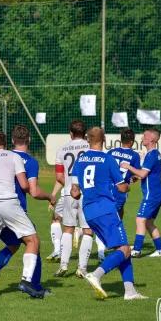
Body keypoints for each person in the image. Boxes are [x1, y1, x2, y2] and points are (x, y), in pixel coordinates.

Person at [71, 127, 147, 300]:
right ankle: (96, 275)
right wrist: (128, 184)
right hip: (105, 209)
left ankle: (130, 291)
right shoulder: (107, 159)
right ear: (104, 139)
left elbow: (75, 191)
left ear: (88, 139)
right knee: (125, 248)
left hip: (89, 211)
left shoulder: (80, 160)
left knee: (122, 248)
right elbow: (121, 187)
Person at [0, 125, 56, 294]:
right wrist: (49, 196)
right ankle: (34, 285)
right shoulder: (30, 162)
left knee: (12, 245)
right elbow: (33, 191)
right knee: (34, 243)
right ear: (29, 140)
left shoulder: (4, 156)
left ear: (12, 141)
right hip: (15, 211)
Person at [0, 131, 42, 300]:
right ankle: (26, 281)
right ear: (6, 144)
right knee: (33, 241)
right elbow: (23, 184)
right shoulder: (14, 157)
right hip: (8, 202)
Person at [53, 119, 96, 277]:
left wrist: (72, 185)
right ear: (85, 134)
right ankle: (82, 268)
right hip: (87, 194)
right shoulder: (90, 148)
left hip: (68, 193)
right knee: (87, 230)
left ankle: (63, 265)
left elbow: (59, 176)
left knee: (68, 229)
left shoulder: (61, 150)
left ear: (70, 133)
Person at [121, 128, 161, 258]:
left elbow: (143, 173)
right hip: (157, 193)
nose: (142, 138)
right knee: (148, 223)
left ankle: (136, 250)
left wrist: (128, 167)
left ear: (151, 139)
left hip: (152, 194)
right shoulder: (155, 154)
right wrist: (138, 176)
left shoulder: (151, 155)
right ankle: (160, 250)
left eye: (145, 136)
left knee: (140, 219)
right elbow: (147, 174)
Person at [107, 129, 141, 219]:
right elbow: (136, 173)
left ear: (121, 140)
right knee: (112, 217)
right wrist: (134, 177)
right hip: (121, 188)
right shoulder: (135, 155)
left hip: (108, 187)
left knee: (113, 211)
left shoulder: (111, 152)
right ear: (132, 142)